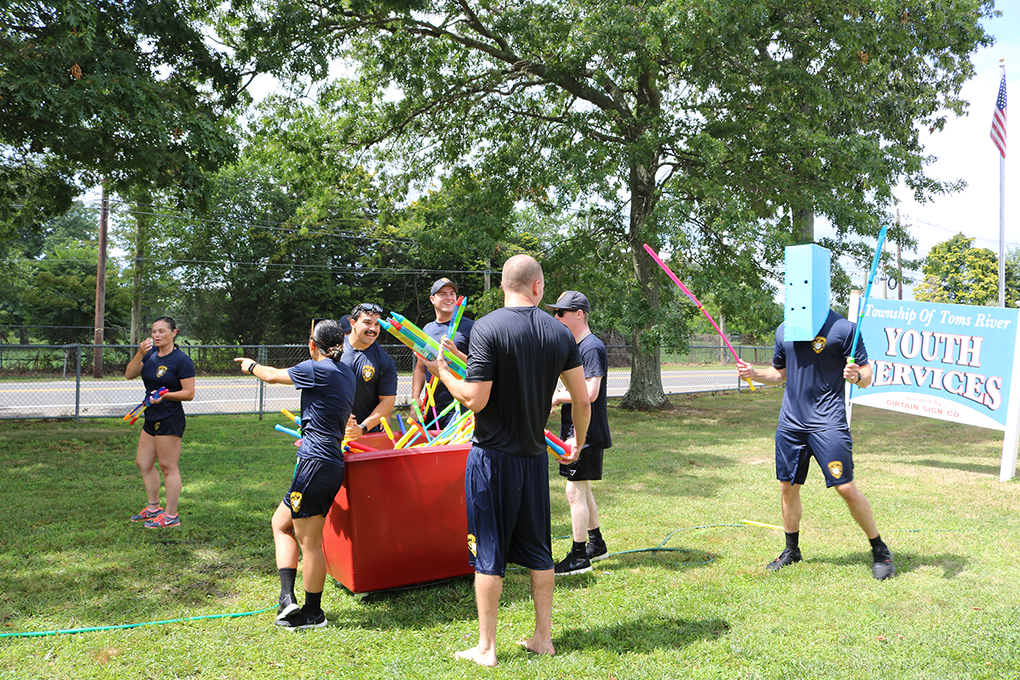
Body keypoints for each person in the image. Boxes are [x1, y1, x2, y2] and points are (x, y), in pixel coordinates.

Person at [421, 254, 591, 667]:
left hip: (491, 460)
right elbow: (582, 399)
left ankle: (486, 648)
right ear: (538, 287)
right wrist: (577, 443)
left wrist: (442, 371)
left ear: (502, 286)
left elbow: (475, 398)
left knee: (489, 553)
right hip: (533, 459)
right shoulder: (560, 334)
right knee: (538, 550)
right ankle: (542, 638)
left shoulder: (488, 327)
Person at [736, 308, 896, 580]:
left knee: (845, 487)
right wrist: (754, 374)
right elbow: (779, 374)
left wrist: (857, 375)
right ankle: (791, 550)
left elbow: (868, 375)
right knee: (787, 486)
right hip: (791, 424)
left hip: (828, 423)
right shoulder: (785, 329)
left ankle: (880, 550)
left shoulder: (844, 328)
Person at [235, 318, 356, 630]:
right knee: (280, 523)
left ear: (313, 345)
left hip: (316, 463)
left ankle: (313, 613)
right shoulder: (345, 371)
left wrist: (250, 366)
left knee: (310, 542)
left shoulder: (319, 368)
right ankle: (287, 598)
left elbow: (272, 376)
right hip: (325, 460)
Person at [547, 291, 612, 576]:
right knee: (582, 488)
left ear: (579, 314)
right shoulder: (576, 345)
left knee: (574, 492)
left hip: (584, 432)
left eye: (561, 312)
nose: (556, 317)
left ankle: (578, 556)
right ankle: (596, 543)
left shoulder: (591, 347)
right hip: (577, 429)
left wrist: (557, 397)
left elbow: (591, 392)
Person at [124, 316, 195, 529]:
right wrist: (139, 354)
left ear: (174, 332)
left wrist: (165, 396)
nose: (156, 335)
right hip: (151, 415)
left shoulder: (181, 360)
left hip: (169, 417)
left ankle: (171, 515)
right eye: (154, 331)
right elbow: (129, 374)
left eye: (162, 331)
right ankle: (153, 508)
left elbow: (189, 393)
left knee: (167, 466)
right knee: (143, 463)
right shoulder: (151, 354)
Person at [411, 277, 474, 429]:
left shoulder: (471, 327)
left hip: (459, 407)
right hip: (430, 405)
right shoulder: (426, 329)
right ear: (432, 299)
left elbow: (478, 366)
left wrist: (456, 353)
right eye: (443, 294)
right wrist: (415, 398)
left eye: (452, 294)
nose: (449, 298)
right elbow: (420, 368)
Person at [340, 303, 398, 441]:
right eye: (367, 323)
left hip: (367, 434)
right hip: (332, 430)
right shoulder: (333, 349)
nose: (373, 329)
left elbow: (387, 402)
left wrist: (363, 428)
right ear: (353, 323)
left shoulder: (385, 361)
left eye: (377, 324)